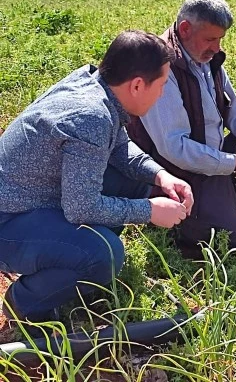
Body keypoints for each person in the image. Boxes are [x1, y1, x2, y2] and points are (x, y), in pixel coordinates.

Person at [0, 30, 193, 328]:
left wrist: (161, 175)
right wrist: (151, 211)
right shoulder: (91, 117)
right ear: (138, 85)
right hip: (9, 221)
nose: (162, 93)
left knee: (135, 181)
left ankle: (74, 266)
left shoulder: (93, 86)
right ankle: (25, 302)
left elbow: (119, 147)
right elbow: (81, 208)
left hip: (30, 198)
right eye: (162, 85)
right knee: (106, 255)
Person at [128, 0, 236, 257]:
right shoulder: (160, 68)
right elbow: (175, 148)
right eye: (210, 39)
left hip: (212, 160)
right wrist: (234, 163)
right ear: (185, 29)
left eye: (220, 39)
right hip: (181, 175)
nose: (217, 48)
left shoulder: (205, 57)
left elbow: (235, 112)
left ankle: (221, 208)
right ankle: (184, 223)